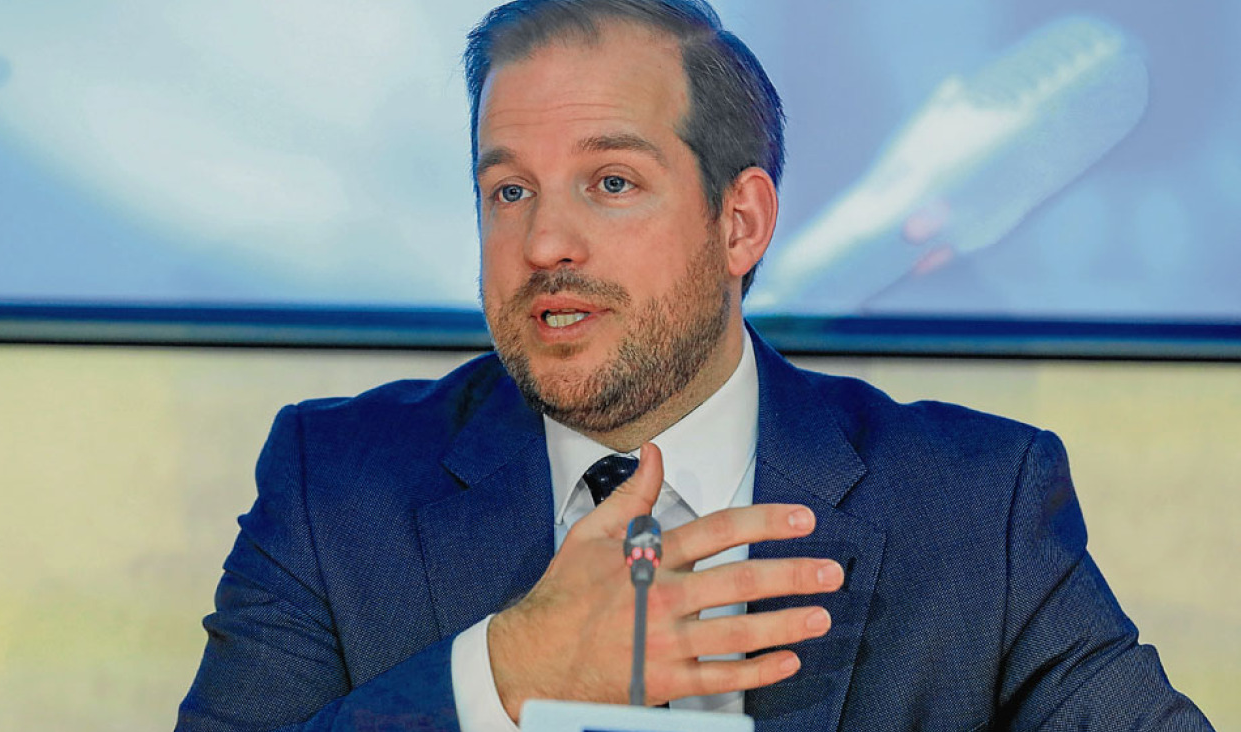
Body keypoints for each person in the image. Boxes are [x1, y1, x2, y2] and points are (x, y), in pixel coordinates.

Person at [177, 1, 1213, 730]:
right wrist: (501, 675)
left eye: (611, 182)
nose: (543, 244)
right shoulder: (333, 485)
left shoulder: (975, 506)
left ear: (740, 222)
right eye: (509, 191)